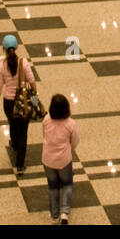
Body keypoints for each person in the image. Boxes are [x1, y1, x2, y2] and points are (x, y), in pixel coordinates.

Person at [0, 34, 36, 175]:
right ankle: (20, 165)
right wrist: (34, 100)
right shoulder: (23, 63)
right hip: (23, 101)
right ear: (17, 47)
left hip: (8, 103)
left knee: (12, 124)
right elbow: (32, 82)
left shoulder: (0, 66)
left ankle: (15, 144)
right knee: (23, 132)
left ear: (3, 49)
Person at [42, 94, 79, 224]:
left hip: (48, 159)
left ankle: (54, 216)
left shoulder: (46, 119)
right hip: (64, 160)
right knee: (67, 184)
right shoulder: (70, 123)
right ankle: (64, 212)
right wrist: (69, 150)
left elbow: (44, 136)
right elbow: (74, 142)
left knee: (53, 187)